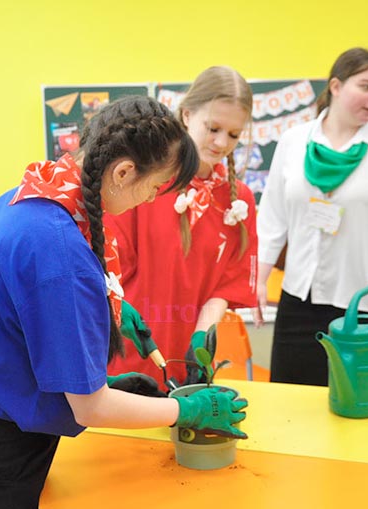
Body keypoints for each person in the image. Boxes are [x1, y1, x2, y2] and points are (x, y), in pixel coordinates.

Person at [0, 96, 248, 508]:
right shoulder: (60, 251)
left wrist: (100, 330)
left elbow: (11, 326)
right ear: (124, 171)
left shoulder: (27, 196)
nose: (150, 199)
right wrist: (183, 410)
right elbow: (90, 409)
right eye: (153, 187)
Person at [256, 48, 368, 387]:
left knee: (358, 404)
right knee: (292, 400)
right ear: (336, 86)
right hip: (301, 298)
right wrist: (258, 280)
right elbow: (272, 220)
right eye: (366, 86)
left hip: (367, 301)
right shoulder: (295, 142)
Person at [106, 66, 258, 389]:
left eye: (233, 134)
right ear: (187, 114)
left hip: (188, 362)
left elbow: (227, 285)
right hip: (132, 354)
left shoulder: (238, 202)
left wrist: (203, 336)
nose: (221, 143)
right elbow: (110, 269)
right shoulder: (144, 182)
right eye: (213, 127)